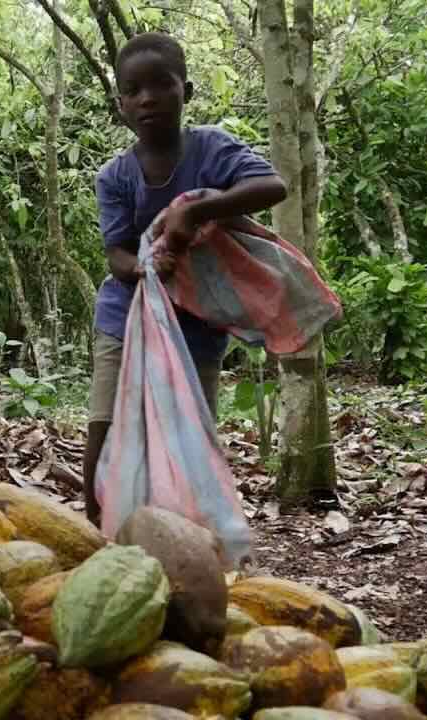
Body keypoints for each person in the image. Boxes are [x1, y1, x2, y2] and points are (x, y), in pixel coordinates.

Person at [82, 31, 288, 523]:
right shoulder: (115, 176)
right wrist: (146, 265)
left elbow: (271, 185)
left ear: (186, 92)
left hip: (196, 322)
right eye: (134, 90)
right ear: (121, 104)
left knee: (189, 436)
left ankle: (185, 537)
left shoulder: (210, 149)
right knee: (105, 426)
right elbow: (116, 254)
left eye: (162, 85)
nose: (147, 98)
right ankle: (92, 529)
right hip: (124, 319)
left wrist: (198, 211)